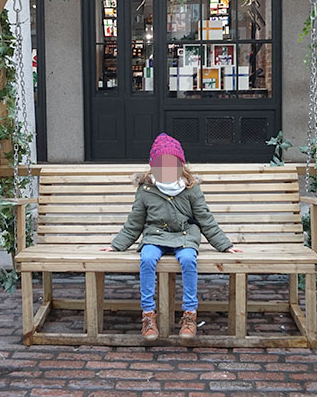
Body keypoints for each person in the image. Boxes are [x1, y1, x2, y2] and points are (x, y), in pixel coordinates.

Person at [100, 133, 242, 340]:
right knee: (147, 258)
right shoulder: (146, 190)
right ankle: (148, 315)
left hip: (184, 236)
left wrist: (225, 245)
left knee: (187, 259)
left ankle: (189, 315)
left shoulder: (191, 189)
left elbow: (205, 219)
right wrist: (116, 246)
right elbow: (134, 223)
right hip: (155, 236)